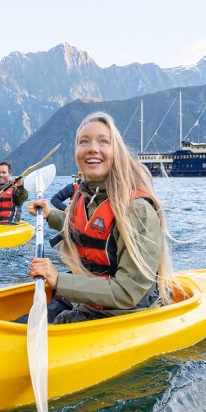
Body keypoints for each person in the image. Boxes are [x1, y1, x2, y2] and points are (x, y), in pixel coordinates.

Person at [27, 111, 180, 324]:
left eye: (103, 141)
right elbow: (89, 231)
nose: (92, 148)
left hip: (127, 315)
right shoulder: (87, 195)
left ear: (115, 151)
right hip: (90, 305)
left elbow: (128, 291)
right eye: (84, 142)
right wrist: (50, 214)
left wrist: (59, 280)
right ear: (77, 151)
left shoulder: (138, 210)